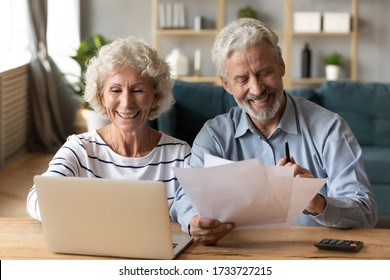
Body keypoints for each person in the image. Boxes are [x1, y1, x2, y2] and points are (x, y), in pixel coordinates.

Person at [169, 18, 378, 245]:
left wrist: (317, 202)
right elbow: (184, 198)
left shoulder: (329, 128)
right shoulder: (214, 135)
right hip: (239, 258)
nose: (257, 89)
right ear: (227, 85)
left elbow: (365, 213)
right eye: (242, 79)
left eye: (264, 72)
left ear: (281, 66)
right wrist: (193, 221)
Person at [27, 37, 191, 220]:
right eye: (115, 90)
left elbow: (195, 212)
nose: (127, 103)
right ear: (102, 97)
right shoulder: (80, 149)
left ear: (155, 97)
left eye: (138, 90)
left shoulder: (180, 154)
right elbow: (37, 198)